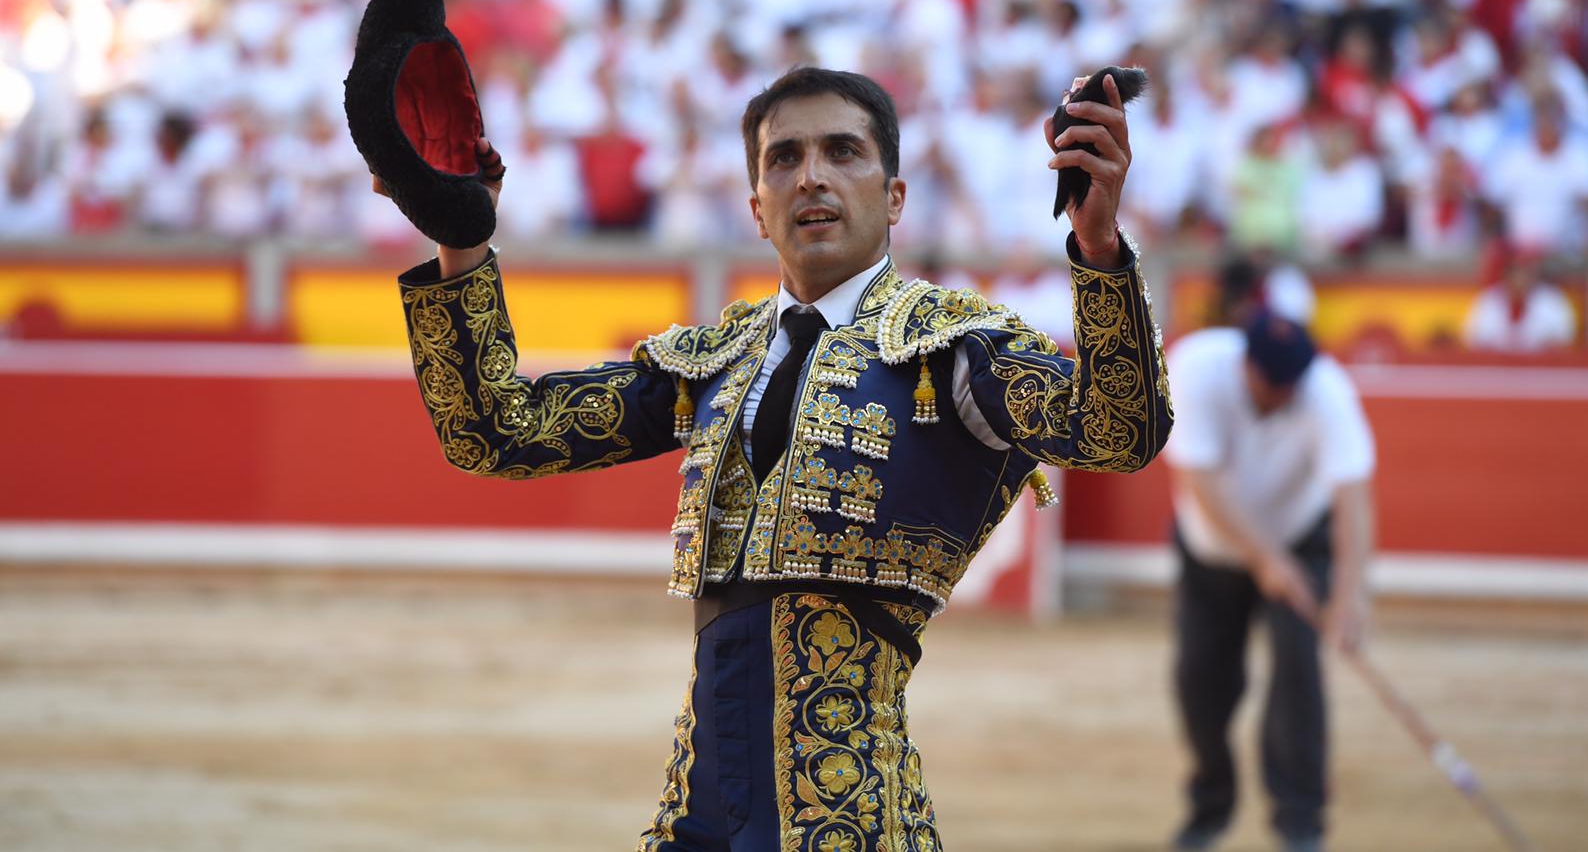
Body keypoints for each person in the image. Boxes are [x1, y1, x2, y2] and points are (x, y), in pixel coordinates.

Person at [382, 66, 1172, 850]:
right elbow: (498, 434)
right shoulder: (716, 355)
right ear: (757, 209)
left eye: (843, 152)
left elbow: (1117, 431)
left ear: (894, 197)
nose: (812, 177)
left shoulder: (954, 345)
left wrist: (1098, 248)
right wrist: (462, 241)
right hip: (696, 809)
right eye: (784, 159)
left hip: (852, 819)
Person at [1164, 311, 1375, 852]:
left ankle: (1300, 823)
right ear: (1246, 364)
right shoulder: (1196, 368)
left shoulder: (1326, 392)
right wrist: (1265, 559)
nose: (1282, 395)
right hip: (1211, 551)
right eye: (1272, 383)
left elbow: (1352, 499)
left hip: (1302, 539)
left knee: (1298, 675)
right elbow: (1201, 483)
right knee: (1200, 683)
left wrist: (1350, 597)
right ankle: (1210, 806)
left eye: (1291, 385)